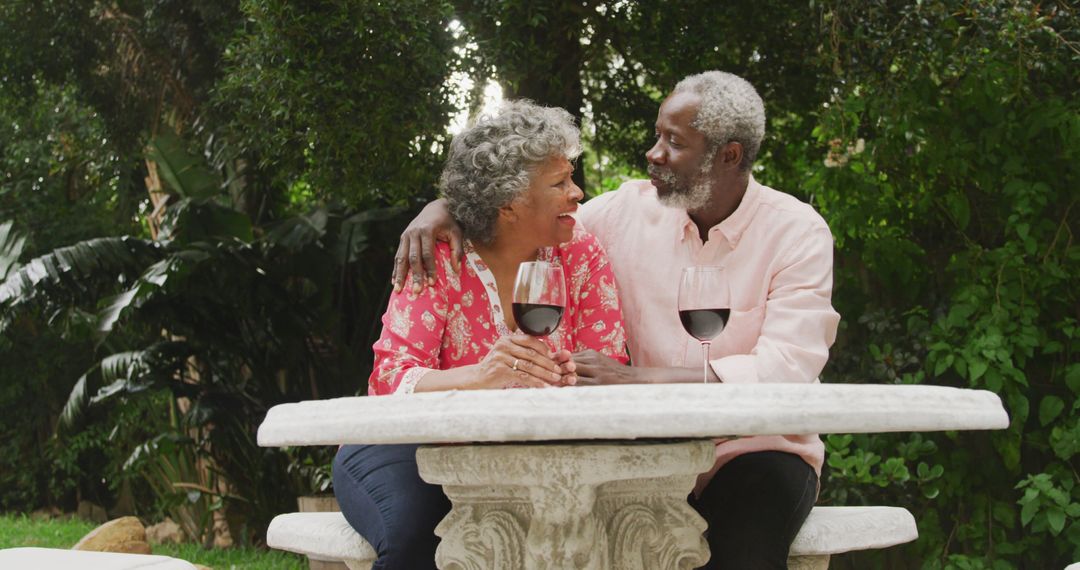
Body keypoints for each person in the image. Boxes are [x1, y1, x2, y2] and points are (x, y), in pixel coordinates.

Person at [393, 71, 841, 569]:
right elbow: (524, 212)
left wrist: (640, 378)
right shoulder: (624, 212)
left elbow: (784, 371)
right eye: (657, 135)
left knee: (741, 552)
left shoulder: (798, 233)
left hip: (754, 451)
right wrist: (443, 209)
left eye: (674, 142)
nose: (653, 152)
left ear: (728, 156)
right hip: (637, 461)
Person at [334, 99, 629, 570]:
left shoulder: (579, 253)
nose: (577, 194)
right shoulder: (438, 255)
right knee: (417, 534)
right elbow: (389, 380)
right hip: (408, 443)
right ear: (509, 203)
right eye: (560, 183)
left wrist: (578, 374)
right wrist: (481, 376)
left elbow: (608, 366)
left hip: (532, 452)